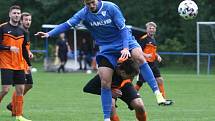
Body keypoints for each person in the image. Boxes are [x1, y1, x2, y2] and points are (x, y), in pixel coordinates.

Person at [35, 0, 167, 120]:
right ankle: (106, 119)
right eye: (88, 4)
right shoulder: (83, 13)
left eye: (92, 2)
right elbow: (67, 24)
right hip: (106, 49)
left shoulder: (111, 8)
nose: (91, 6)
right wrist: (49, 34)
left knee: (139, 57)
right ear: (84, 3)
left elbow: (123, 29)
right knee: (104, 82)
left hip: (124, 42)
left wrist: (126, 48)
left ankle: (157, 94)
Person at [0, 5, 31, 121]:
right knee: (5, 90)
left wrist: (29, 65)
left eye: (18, 13)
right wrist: (9, 48)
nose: (16, 15)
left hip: (19, 65)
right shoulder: (2, 28)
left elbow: (24, 50)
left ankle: (18, 115)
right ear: (10, 14)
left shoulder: (23, 31)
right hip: (6, 63)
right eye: (14, 13)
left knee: (20, 90)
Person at [135, 22, 174, 102]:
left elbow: (152, 51)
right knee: (140, 82)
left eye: (153, 28)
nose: (152, 30)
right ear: (147, 29)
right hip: (145, 64)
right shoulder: (144, 38)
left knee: (160, 80)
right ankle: (132, 96)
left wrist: (157, 56)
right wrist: (145, 55)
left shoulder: (153, 39)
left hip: (153, 63)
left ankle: (163, 98)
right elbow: (137, 50)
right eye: (150, 28)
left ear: (155, 30)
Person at [6, 12, 34, 117]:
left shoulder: (26, 32)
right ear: (21, 21)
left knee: (29, 85)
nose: (28, 22)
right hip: (18, 64)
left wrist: (29, 52)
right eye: (26, 20)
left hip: (25, 63)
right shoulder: (18, 31)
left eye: (30, 20)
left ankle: (13, 105)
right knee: (21, 86)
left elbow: (24, 48)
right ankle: (15, 109)